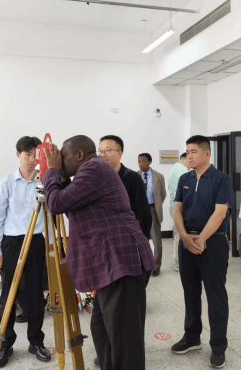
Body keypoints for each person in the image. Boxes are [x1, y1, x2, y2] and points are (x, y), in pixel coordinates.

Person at [42, 135, 155, 370]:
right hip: (111, 265)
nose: (60, 160)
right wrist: (58, 174)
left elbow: (57, 203)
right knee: (102, 333)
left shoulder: (94, 169)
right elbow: (69, 201)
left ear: (79, 155)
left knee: (125, 344)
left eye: (63, 156)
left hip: (121, 263)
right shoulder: (91, 172)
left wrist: (51, 170)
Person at [172, 135, 234, 369]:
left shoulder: (221, 179)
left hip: (213, 243)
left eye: (194, 152)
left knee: (216, 295)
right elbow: (177, 209)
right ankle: (192, 337)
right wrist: (184, 237)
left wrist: (201, 239)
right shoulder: (185, 178)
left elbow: (220, 213)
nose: (189, 156)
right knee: (190, 292)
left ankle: (218, 346)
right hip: (187, 241)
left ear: (207, 153)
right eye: (187, 151)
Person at [0, 136, 50, 368]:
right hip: (12, 243)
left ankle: (36, 341)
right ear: (18, 155)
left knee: (36, 295)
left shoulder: (44, 181)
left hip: (36, 241)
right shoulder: (6, 183)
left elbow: (51, 214)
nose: (32, 160)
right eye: (27, 155)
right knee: (8, 295)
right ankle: (6, 343)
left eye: (36, 155)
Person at [98, 135, 152, 240]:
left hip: (126, 238)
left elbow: (143, 214)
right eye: (100, 151)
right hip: (104, 239)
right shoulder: (96, 178)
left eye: (107, 150)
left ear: (120, 153)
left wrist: (141, 242)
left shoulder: (132, 178)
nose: (102, 155)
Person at [137, 152, 167, 277]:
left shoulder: (158, 176)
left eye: (144, 161)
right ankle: (143, 265)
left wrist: (156, 206)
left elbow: (163, 194)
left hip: (153, 209)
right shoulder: (135, 176)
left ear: (149, 162)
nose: (141, 164)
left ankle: (156, 266)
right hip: (140, 211)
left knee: (156, 240)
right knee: (140, 239)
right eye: (139, 161)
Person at [167, 153, 190, 271]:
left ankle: (177, 261)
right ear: (185, 159)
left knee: (177, 234)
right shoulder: (184, 172)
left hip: (173, 206)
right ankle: (178, 262)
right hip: (181, 208)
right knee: (180, 235)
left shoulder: (172, 170)